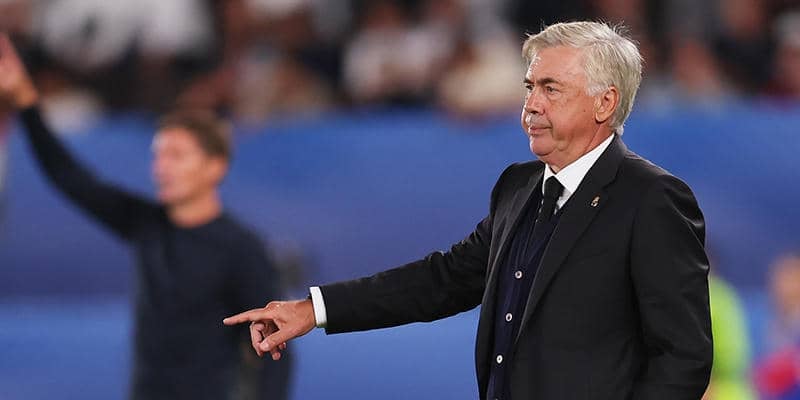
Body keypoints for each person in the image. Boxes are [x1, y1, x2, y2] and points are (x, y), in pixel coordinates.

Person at [224, 21, 713, 399]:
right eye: (529, 87)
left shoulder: (650, 197)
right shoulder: (518, 187)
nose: (531, 105)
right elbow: (444, 279)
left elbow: (684, 356)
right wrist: (314, 309)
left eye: (551, 88)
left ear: (605, 103)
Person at [0, 34, 290, 400]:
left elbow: (276, 352)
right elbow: (70, 178)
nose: (161, 167)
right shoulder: (146, 225)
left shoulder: (241, 249)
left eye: (177, 155)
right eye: (158, 155)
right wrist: (26, 100)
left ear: (215, 166)